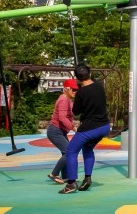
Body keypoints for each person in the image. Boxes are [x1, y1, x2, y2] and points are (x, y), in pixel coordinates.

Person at [59, 65, 111, 194]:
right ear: (90, 73)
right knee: (87, 148)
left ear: (77, 78)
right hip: (104, 126)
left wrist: (78, 97)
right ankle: (87, 178)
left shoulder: (81, 92)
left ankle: (71, 183)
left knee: (71, 151)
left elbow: (75, 111)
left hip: (90, 128)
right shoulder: (99, 86)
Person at [46, 79, 77, 183]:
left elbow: (71, 115)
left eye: (76, 90)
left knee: (66, 152)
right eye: (73, 90)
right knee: (69, 152)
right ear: (66, 89)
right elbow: (62, 118)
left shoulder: (68, 100)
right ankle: (54, 174)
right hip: (55, 130)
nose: (75, 92)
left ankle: (65, 176)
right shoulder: (64, 100)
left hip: (60, 131)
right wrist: (73, 128)